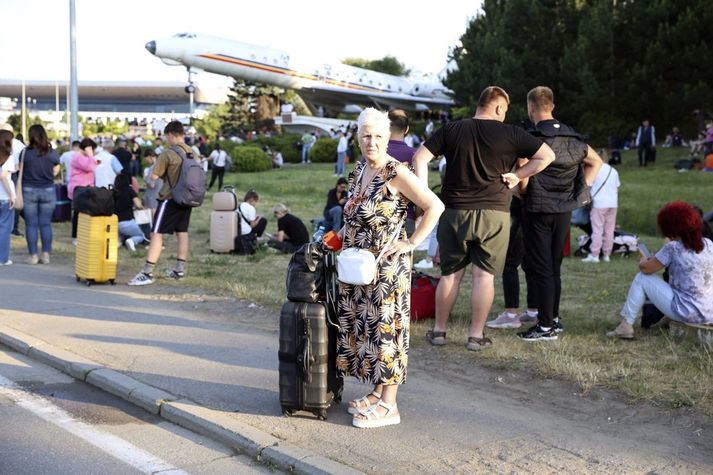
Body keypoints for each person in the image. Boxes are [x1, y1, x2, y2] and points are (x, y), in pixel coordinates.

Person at [412, 86, 555, 350]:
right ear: (499, 108)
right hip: (494, 213)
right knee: (484, 277)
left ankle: (439, 332)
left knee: (450, 276)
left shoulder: (452, 129)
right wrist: (519, 175)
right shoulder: (512, 133)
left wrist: (423, 198)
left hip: (453, 212)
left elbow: (419, 157)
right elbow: (548, 156)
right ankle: (475, 336)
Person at [338, 108, 444, 429]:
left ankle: (390, 405)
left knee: (387, 331)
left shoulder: (395, 171)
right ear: (358, 138)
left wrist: (411, 242)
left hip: (386, 268)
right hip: (358, 265)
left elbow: (434, 206)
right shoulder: (359, 169)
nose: (372, 142)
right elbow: (354, 214)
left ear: (389, 138)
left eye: (379, 136)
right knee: (368, 330)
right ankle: (376, 392)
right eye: (367, 135)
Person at [517, 87, 603, 341]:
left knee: (540, 266)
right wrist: (582, 190)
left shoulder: (530, 136)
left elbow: (522, 167)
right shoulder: (574, 137)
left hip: (537, 208)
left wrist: (522, 190)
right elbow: (596, 162)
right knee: (554, 266)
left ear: (531, 107)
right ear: (552, 106)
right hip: (564, 208)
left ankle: (544, 327)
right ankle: (553, 318)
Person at [607, 201, 713, 339]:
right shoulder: (708, 244)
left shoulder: (673, 247)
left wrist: (643, 262)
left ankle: (625, 325)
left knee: (642, 278)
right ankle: (666, 320)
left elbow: (647, 269)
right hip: (708, 313)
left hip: (686, 312)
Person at [128, 121, 196, 286]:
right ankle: (179, 270)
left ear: (171, 135)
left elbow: (154, 177)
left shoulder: (168, 153)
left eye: (167, 136)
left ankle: (147, 272)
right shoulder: (192, 152)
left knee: (156, 233)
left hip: (169, 198)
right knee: (182, 232)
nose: (167, 140)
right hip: (187, 198)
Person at [485, 195, 539, 328]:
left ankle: (511, 315)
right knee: (530, 264)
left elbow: (523, 182)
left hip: (525, 214)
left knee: (509, 263)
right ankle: (533, 311)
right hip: (536, 213)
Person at [21, 124, 60, 265]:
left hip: (29, 190)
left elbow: (20, 169)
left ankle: (33, 256)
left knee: (31, 225)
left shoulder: (26, 152)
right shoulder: (52, 152)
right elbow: (56, 168)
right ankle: (46, 254)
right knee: (45, 224)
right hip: (48, 190)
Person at [582, 152, 620, 263]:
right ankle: (607, 255)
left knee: (597, 230)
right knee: (609, 230)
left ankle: (595, 255)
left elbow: (587, 185)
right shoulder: (613, 171)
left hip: (599, 203)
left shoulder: (595, 169)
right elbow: (617, 187)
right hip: (613, 204)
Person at [387, 109, 417, 234]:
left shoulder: (374, 153)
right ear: (407, 129)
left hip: (374, 217)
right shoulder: (415, 155)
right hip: (406, 216)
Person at [68, 138, 99, 243]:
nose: (93, 152)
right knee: (78, 213)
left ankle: (83, 234)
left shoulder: (83, 157)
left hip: (86, 187)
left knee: (86, 212)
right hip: (79, 188)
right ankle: (75, 237)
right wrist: (91, 155)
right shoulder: (78, 156)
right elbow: (90, 167)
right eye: (92, 150)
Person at [114, 173, 146, 252]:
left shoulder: (113, 191)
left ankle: (119, 242)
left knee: (122, 234)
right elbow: (138, 205)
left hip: (114, 223)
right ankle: (132, 241)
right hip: (127, 222)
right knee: (143, 235)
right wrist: (143, 207)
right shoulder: (129, 190)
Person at [0, 129, 16, 265]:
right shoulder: (8, 156)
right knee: (5, 228)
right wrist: (11, 194)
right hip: (4, 197)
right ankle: (3, 258)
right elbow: (3, 176)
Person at [142, 148, 162, 217]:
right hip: (160, 194)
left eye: (147, 159)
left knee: (154, 217)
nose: (147, 161)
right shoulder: (161, 165)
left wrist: (145, 181)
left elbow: (151, 184)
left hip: (153, 195)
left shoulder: (153, 168)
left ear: (150, 157)